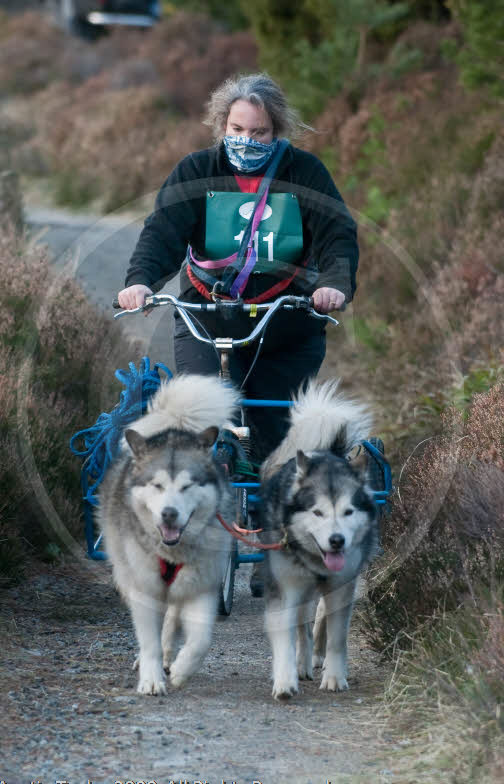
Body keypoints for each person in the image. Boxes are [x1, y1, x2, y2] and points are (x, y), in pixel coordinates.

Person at [119, 74, 358, 593]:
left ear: (278, 131)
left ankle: (274, 540)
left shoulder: (305, 173)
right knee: (198, 418)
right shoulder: (198, 171)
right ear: (221, 125)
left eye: (261, 132)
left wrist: (335, 285)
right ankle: (193, 527)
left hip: (285, 322)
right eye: (237, 128)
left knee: (275, 437)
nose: (247, 141)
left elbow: (337, 234)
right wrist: (139, 283)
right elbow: (161, 232)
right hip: (206, 318)